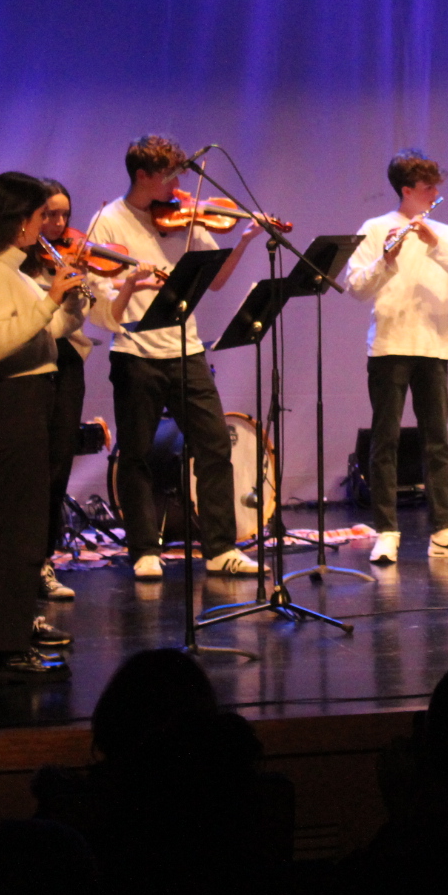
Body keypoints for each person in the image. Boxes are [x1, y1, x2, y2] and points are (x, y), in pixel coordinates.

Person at [86, 135, 265, 581]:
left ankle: (220, 548)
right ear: (142, 175)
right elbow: (97, 292)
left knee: (214, 445)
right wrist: (131, 285)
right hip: (135, 352)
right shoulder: (108, 221)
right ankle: (145, 549)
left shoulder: (184, 216)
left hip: (187, 349)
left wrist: (244, 241)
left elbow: (216, 280)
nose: (179, 186)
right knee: (137, 454)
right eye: (169, 176)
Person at [0, 171, 85, 681]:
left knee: (24, 526)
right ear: (17, 221)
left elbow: (46, 333)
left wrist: (70, 302)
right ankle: (5, 647)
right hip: (12, 403)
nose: (45, 225)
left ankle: (9, 636)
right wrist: (50, 299)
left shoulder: (14, 272)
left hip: (30, 399)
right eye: (38, 216)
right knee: (12, 530)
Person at [338, 148, 448, 562]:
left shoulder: (444, 232)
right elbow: (356, 287)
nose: (435, 193)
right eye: (427, 187)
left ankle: (443, 531)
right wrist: (386, 257)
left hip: (435, 346)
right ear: (407, 190)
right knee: (384, 440)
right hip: (389, 346)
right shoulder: (374, 228)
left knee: (436, 441)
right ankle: (387, 530)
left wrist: (434, 243)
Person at [32, 179, 91, 602]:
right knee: (31, 468)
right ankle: (22, 561)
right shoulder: (19, 264)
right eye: (50, 214)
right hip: (31, 364)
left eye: (64, 215)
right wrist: (57, 291)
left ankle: (44, 559)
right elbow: (41, 326)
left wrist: (76, 293)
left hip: (67, 361)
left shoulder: (68, 256)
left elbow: (73, 322)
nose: (58, 223)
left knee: (57, 466)